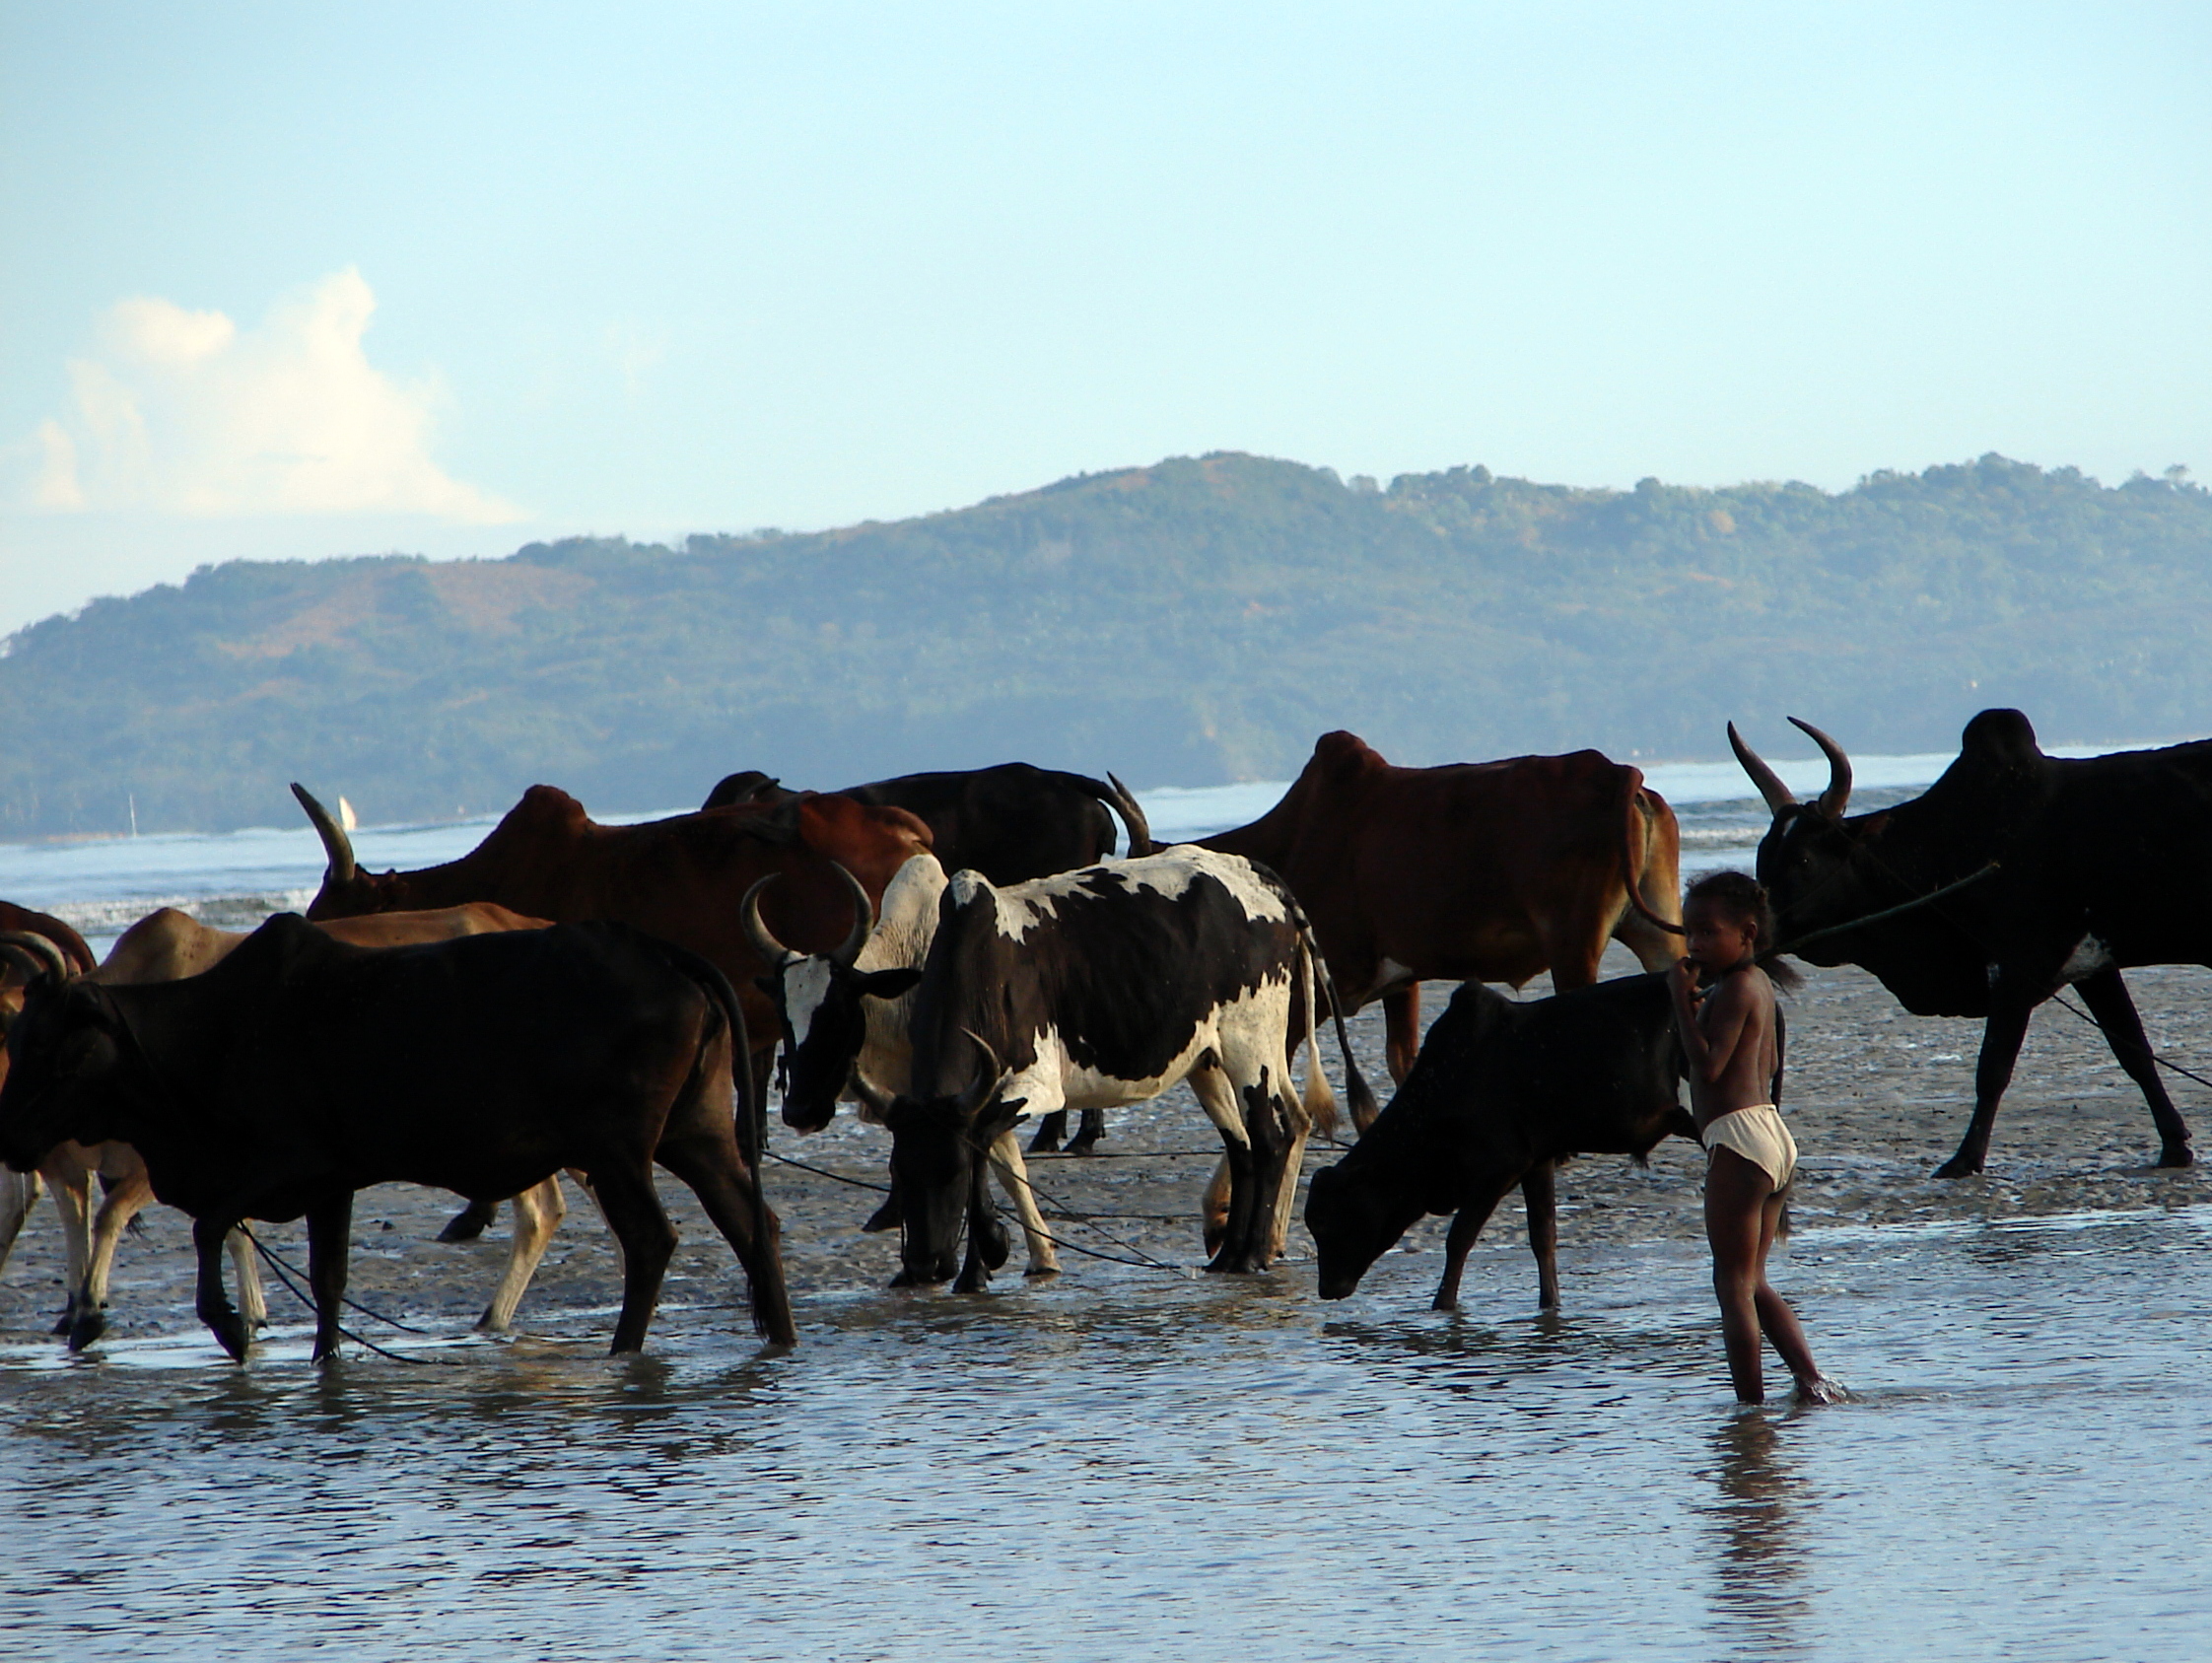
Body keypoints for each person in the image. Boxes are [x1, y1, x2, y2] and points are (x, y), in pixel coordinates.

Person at [1669, 870, 1844, 1407]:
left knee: (1732, 1287)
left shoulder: (1739, 986)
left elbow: (1710, 1066)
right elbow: (1756, 1063)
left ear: (1747, 933)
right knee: (1754, 1282)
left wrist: (1679, 1001)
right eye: (1689, 933)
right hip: (1770, 1136)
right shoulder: (1755, 987)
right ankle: (1812, 1383)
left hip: (1741, 1140)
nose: (1695, 944)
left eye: (1706, 932)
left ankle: (1749, 1414)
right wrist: (1700, 1008)